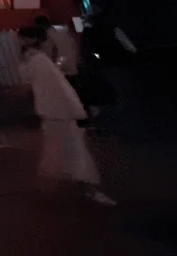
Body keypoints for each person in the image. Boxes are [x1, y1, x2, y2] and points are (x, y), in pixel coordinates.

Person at [19, 27, 115, 205]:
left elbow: (30, 84)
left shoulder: (33, 61)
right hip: (62, 112)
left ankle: (61, 186)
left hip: (53, 113)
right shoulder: (41, 60)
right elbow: (60, 89)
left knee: (61, 150)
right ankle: (89, 189)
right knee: (75, 150)